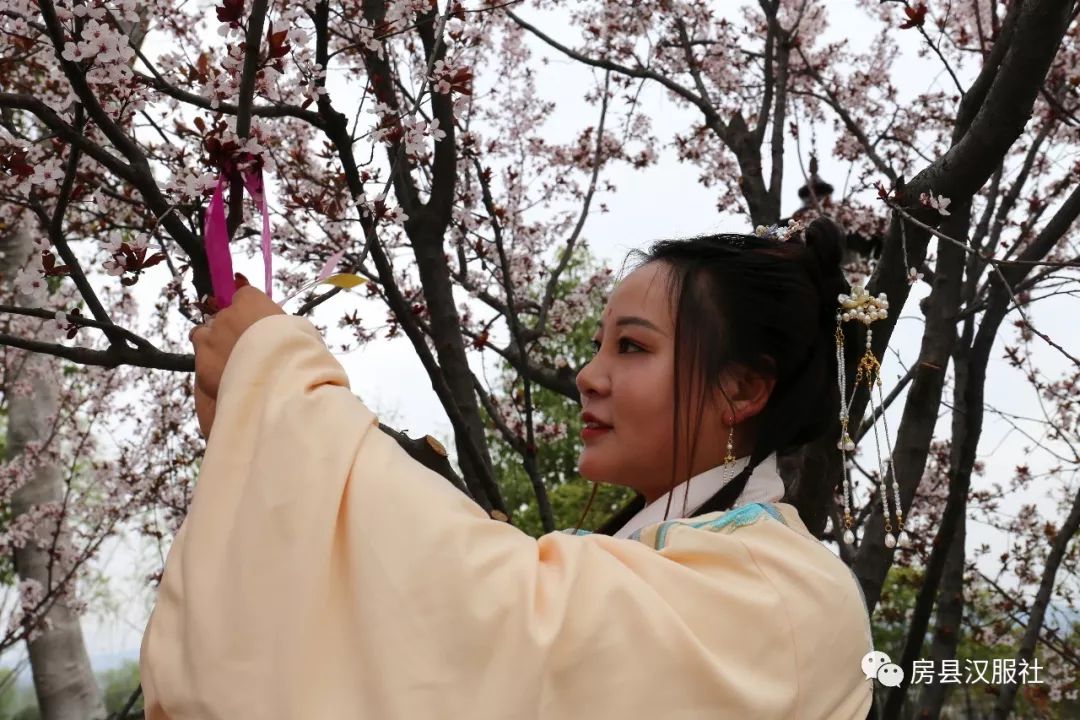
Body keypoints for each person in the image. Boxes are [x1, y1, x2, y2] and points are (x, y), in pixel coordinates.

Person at [141, 217, 874, 719]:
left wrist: (281, 392)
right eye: (600, 345)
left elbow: (503, 620)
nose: (588, 376)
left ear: (742, 389)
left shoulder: (779, 592)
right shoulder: (700, 565)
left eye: (633, 348)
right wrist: (261, 424)